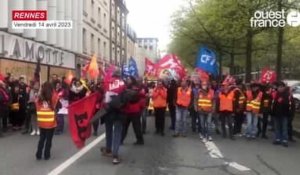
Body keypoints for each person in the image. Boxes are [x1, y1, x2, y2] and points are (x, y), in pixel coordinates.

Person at [101, 70, 126, 164]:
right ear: (119, 76)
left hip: (108, 111)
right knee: (117, 133)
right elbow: (124, 97)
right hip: (119, 111)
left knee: (108, 131)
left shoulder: (107, 83)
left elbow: (103, 97)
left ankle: (108, 149)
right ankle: (115, 156)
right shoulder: (122, 83)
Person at [35, 82, 57, 160]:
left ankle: (38, 154)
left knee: (42, 138)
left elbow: (36, 105)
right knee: (49, 139)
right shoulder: (53, 97)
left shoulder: (39, 98)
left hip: (41, 122)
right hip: (50, 122)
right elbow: (57, 103)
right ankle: (46, 154)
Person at [122, 76, 145, 145]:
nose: (127, 80)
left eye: (129, 79)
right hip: (128, 110)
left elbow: (142, 95)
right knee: (124, 126)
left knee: (136, 127)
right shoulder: (126, 88)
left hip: (134, 110)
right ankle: (120, 139)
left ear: (132, 80)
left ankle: (140, 140)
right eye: (127, 79)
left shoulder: (135, 88)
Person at [272, 82, 291, 147]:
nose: (280, 88)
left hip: (284, 114)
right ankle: (277, 139)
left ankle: (285, 140)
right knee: (277, 127)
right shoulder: (276, 94)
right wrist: (272, 112)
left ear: (284, 87)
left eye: (281, 87)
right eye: (279, 87)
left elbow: (289, 104)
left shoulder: (287, 94)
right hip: (276, 114)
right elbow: (273, 104)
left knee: (284, 128)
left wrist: (282, 100)